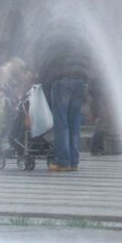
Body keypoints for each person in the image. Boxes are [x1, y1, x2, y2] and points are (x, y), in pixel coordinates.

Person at [37, 34, 90, 172]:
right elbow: (87, 64)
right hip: (79, 83)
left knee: (62, 123)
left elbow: (47, 64)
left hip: (62, 82)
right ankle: (74, 162)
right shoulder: (81, 44)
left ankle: (63, 161)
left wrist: (41, 79)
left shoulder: (58, 42)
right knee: (75, 123)